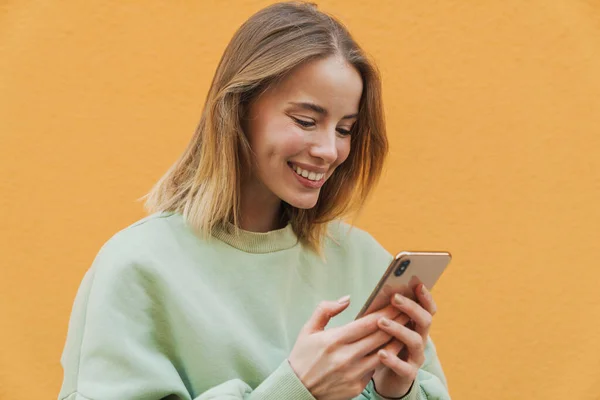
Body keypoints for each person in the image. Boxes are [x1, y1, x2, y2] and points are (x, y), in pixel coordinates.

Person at [58, 2, 450, 400]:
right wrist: (295, 389)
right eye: (306, 121)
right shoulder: (140, 266)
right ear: (239, 108)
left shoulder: (364, 260)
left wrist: (395, 391)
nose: (330, 150)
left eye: (345, 129)